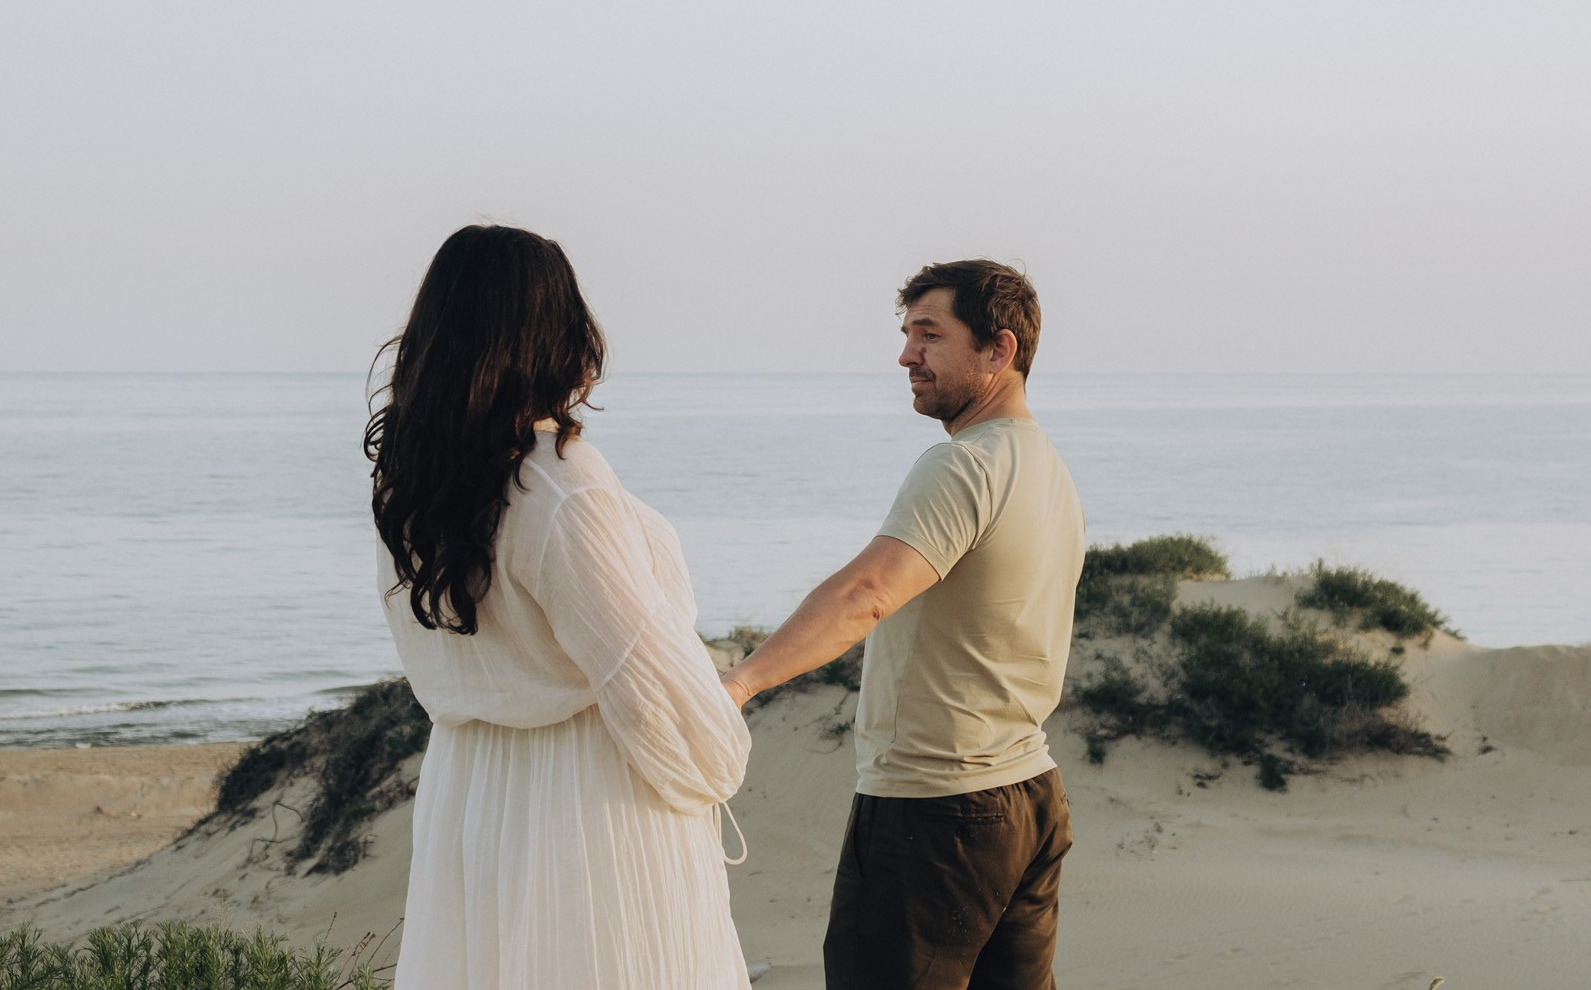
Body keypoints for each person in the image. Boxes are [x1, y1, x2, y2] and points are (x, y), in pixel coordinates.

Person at [372, 225, 751, 990]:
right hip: (587, 803)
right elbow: (646, 685)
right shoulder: (561, 485)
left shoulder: (409, 482)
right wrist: (719, 736)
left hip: (472, 794)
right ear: (552, 330)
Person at [721, 259, 1086, 990]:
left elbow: (866, 593)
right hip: (1029, 802)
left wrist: (739, 682)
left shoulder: (963, 468)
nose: (906, 355)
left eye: (929, 334)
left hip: (936, 813)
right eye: (906, 333)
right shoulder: (1048, 468)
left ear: (999, 350)